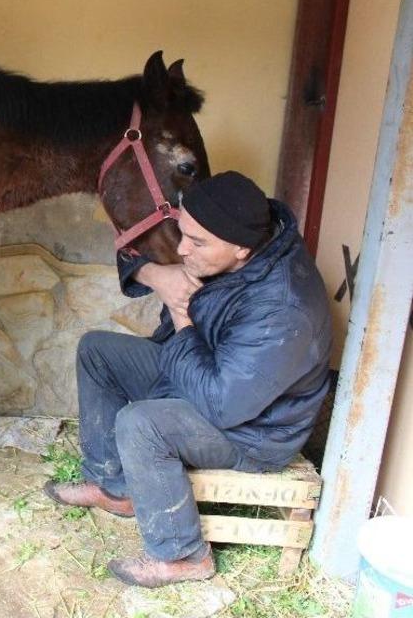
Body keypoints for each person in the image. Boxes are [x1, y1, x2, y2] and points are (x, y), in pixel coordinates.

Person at [45, 171, 333, 588]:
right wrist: (157, 277)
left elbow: (222, 404)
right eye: (183, 234)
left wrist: (182, 320)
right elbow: (137, 250)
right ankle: (116, 487)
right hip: (206, 371)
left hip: (252, 430)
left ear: (240, 250)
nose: (182, 249)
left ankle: (182, 557)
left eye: (195, 244)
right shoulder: (235, 232)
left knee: (141, 424)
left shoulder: (283, 308)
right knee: (97, 350)